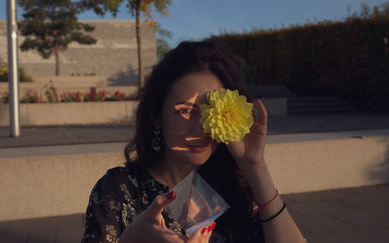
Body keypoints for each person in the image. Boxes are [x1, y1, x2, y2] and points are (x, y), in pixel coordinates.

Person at [81, 40, 306, 243]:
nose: (202, 127)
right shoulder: (118, 190)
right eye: (186, 111)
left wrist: (256, 167)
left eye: (213, 111)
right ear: (157, 116)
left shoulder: (234, 188)